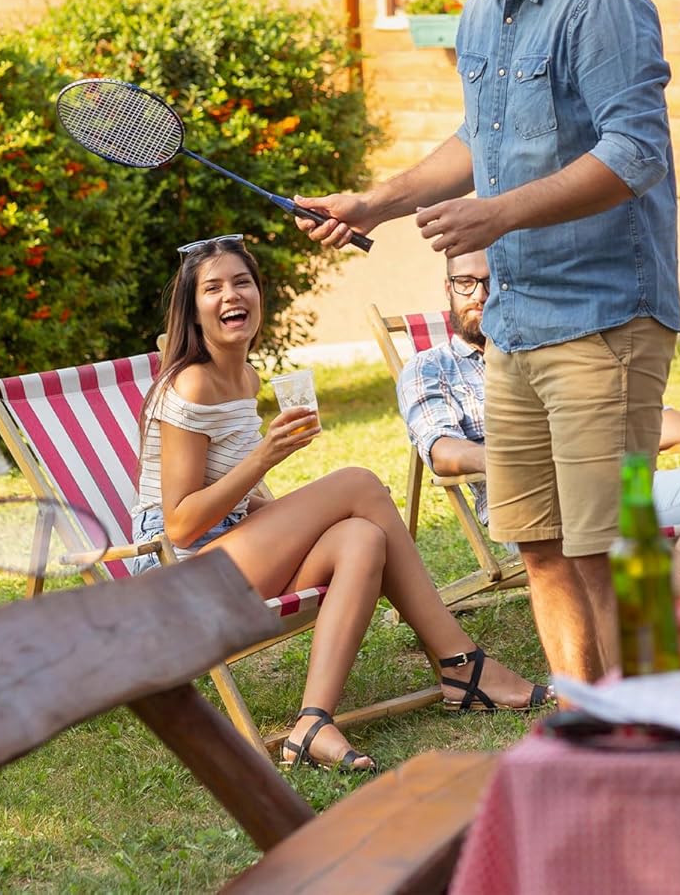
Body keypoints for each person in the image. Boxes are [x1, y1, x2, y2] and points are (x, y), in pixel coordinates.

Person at [298, 0, 680, 684]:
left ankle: (657, 733)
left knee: (605, 551)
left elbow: (635, 152)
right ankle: (584, 719)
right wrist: (374, 202)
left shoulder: (601, 3)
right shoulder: (482, 11)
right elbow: (480, 139)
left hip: (603, 318)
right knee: (540, 545)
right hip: (513, 324)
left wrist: (499, 214)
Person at [131, 234, 547, 773]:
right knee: (357, 483)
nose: (231, 295)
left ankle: (312, 724)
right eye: (213, 288)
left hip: (224, 562)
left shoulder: (243, 376)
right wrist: (265, 457)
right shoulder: (191, 383)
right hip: (175, 585)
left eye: (242, 282)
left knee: (362, 537)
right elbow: (182, 524)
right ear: (192, 308)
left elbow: (238, 501)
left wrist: (280, 509)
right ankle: (462, 666)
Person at [397, 251, 680, 591]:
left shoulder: (551, 349)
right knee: (595, 534)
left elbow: (626, 419)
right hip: (539, 506)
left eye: (490, 281)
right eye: (465, 282)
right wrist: (512, 460)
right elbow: (441, 449)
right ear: (447, 287)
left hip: (612, 486)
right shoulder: (429, 368)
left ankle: (663, 596)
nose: (479, 295)